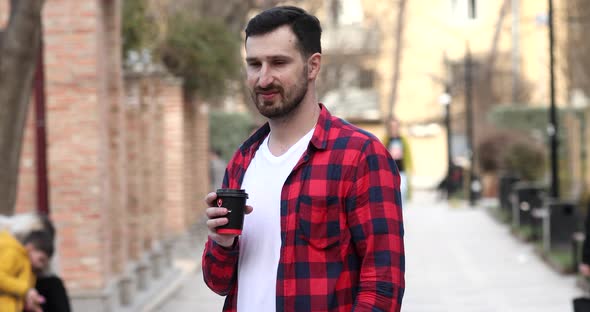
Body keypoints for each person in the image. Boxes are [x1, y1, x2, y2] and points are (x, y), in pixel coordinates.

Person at [202, 6, 405, 312]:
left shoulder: (359, 156)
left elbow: (383, 285)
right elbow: (218, 283)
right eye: (254, 64)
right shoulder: (243, 160)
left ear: (313, 66)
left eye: (278, 63)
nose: (263, 78)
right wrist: (222, 243)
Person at [0, 214, 53, 312]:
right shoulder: (12, 253)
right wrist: (26, 290)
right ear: (30, 247)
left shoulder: (26, 262)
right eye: (41, 259)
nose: (41, 265)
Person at [384, 117, 412, 202]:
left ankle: (401, 212)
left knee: (402, 191)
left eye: (395, 126)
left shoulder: (402, 139)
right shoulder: (386, 139)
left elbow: (408, 154)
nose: (394, 128)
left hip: (401, 170)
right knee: (391, 194)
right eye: (392, 126)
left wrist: (409, 167)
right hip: (389, 171)